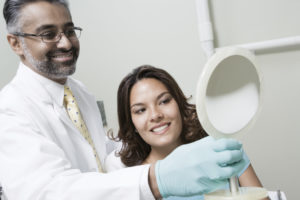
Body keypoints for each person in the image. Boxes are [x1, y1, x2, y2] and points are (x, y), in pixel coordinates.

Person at [0, 0, 248, 200]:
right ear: (16, 43)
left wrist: (171, 148)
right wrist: (156, 178)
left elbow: (102, 157)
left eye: (69, 30)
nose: (65, 42)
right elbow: (47, 192)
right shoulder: (10, 110)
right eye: (48, 34)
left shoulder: (79, 94)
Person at [105, 65, 267, 199]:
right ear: (131, 123)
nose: (155, 115)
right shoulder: (139, 183)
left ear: (179, 104)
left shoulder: (221, 151)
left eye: (164, 101)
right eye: (140, 110)